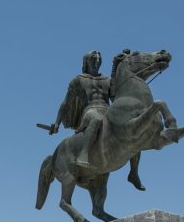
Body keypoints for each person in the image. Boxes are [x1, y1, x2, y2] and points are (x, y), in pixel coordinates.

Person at [49, 50, 146, 190]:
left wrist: (117, 65)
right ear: (87, 61)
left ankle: (133, 172)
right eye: (93, 59)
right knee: (97, 119)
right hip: (90, 110)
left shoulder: (106, 80)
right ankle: (83, 154)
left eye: (99, 60)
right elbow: (65, 103)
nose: (96, 62)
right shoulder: (78, 79)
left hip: (107, 109)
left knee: (133, 129)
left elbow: (114, 96)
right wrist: (57, 123)